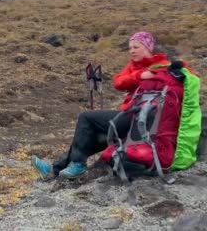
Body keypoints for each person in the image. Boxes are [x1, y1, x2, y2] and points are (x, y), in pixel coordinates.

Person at [31, 32, 170, 180]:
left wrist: (141, 76)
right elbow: (118, 82)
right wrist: (139, 76)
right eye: (130, 48)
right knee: (91, 135)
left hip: (140, 118)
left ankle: (77, 164)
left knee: (86, 118)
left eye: (136, 47)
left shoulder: (161, 66)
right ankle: (54, 169)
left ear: (148, 48)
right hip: (129, 114)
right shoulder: (135, 66)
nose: (132, 51)